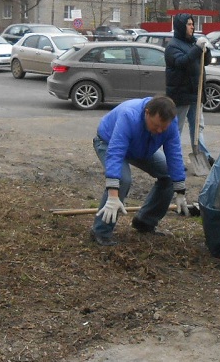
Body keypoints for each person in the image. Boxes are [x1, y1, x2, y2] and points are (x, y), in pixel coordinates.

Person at [90, 96, 188, 247]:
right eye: (156, 126)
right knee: (123, 179)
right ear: (147, 113)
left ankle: (145, 221)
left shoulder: (171, 123)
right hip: (108, 142)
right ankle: (100, 231)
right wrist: (112, 197)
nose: (160, 130)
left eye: (164, 127)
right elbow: (116, 152)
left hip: (141, 148)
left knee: (168, 175)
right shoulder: (129, 116)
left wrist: (180, 189)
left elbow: (174, 154)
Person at [164, 13, 213, 178]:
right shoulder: (172, 46)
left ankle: (203, 157)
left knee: (197, 128)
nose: (192, 27)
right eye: (189, 24)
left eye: (193, 24)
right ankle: (173, 161)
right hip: (180, 93)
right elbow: (181, 62)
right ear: (180, 26)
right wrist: (197, 48)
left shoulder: (193, 42)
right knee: (176, 129)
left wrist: (206, 49)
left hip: (195, 93)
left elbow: (205, 62)